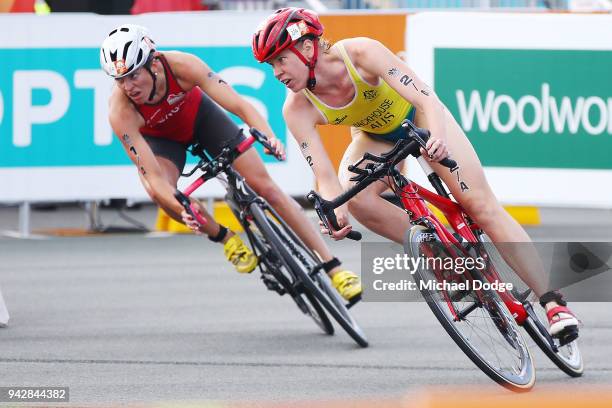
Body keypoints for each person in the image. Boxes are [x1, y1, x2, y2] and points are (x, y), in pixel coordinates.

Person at [251, 8, 579, 341]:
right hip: (374, 136)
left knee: (479, 205)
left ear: (307, 48)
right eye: (271, 65)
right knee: (357, 198)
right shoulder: (296, 108)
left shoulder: (361, 53)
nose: (276, 72)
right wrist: (336, 210)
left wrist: (436, 137)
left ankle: (553, 301)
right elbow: (325, 177)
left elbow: (424, 97)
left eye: (280, 60)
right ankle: (444, 259)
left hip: (420, 117)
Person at [100, 24, 361, 301]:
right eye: (120, 80)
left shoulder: (181, 65)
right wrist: (180, 205)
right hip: (164, 143)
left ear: (152, 62)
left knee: (267, 188)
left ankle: (334, 267)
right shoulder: (120, 111)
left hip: (202, 120)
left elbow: (238, 104)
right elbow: (152, 175)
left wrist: (268, 136)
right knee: (160, 192)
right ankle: (225, 238)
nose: (128, 86)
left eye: (133, 75)